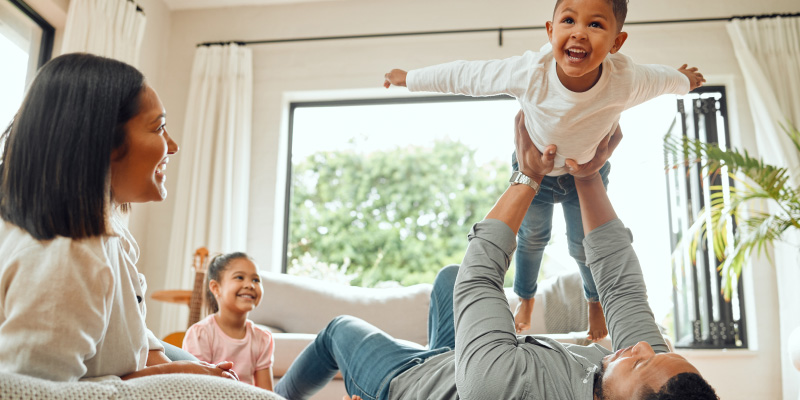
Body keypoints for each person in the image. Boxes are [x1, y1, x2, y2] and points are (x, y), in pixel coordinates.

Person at [274, 111, 719, 400]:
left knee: (337, 330)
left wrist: (527, 176)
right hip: (460, 364)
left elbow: (480, 277)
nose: (640, 347)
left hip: (408, 384)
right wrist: (588, 175)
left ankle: (276, 397)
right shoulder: (654, 376)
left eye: (639, 360)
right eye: (651, 351)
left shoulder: (504, 390)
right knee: (446, 278)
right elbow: (620, 285)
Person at [383, 0, 706, 340]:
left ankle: (594, 301)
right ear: (551, 31)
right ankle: (525, 297)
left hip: (584, 173)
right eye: (569, 20)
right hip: (535, 170)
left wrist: (683, 79)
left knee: (583, 245)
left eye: (595, 25)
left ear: (616, 43)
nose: (579, 32)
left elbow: (661, 79)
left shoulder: (624, 79)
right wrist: (411, 78)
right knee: (531, 239)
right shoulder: (530, 72)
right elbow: (468, 75)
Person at [0, 54, 278, 399]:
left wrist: (183, 371)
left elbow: (136, 345)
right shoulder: (66, 255)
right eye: (159, 127)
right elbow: (29, 392)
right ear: (103, 141)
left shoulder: (106, 235)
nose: (173, 146)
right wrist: (178, 383)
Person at [183, 252, 275, 390]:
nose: (250, 285)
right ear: (215, 288)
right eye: (239, 277)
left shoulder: (262, 338)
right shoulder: (200, 334)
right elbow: (196, 389)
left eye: (256, 280)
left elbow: (267, 394)